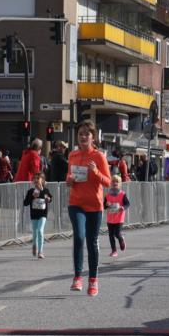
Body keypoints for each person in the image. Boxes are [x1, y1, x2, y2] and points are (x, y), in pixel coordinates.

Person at [66, 121, 111, 296]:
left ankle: (93, 280)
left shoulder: (99, 157)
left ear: (93, 137)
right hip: (76, 203)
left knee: (92, 243)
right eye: (80, 134)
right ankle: (77, 277)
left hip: (94, 205)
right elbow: (68, 180)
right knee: (79, 236)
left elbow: (107, 181)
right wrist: (70, 180)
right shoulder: (73, 156)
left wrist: (96, 172)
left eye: (86, 134)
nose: (83, 137)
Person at [22, 172, 52, 259]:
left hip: (43, 214)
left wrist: (48, 199)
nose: (35, 180)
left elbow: (50, 199)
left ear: (42, 180)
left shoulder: (45, 191)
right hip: (34, 214)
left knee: (40, 231)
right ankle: (34, 245)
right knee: (35, 232)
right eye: (34, 178)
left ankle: (40, 251)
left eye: (37, 178)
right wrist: (32, 197)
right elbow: (25, 203)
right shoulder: (31, 191)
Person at [105, 175, 130, 258]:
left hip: (119, 218)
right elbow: (104, 205)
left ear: (120, 184)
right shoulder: (108, 194)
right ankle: (114, 251)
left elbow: (127, 204)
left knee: (117, 233)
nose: (115, 183)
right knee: (111, 235)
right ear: (111, 183)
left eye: (117, 182)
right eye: (113, 181)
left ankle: (121, 239)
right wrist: (106, 205)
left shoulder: (122, 194)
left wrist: (122, 207)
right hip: (110, 218)